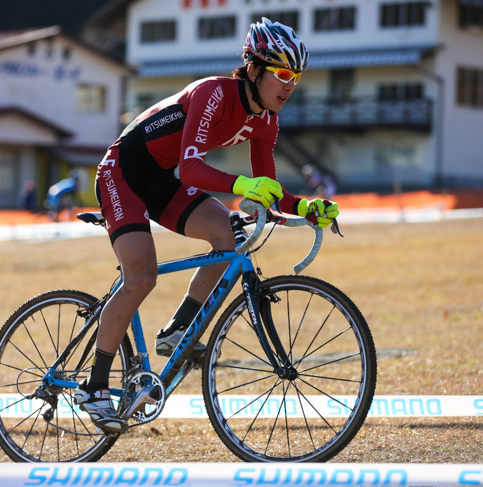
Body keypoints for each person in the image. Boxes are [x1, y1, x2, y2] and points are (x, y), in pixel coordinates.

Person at [76, 18, 340, 433]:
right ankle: (92, 388)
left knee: (228, 234)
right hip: (123, 171)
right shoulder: (213, 93)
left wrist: (306, 206)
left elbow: (267, 187)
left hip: (163, 180)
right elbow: (193, 168)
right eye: (283, 74)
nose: (290, 86)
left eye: (297, 77)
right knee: (141, 275)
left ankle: (177, 328)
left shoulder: (266, 120)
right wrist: (242, 185)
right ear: (255, 69)